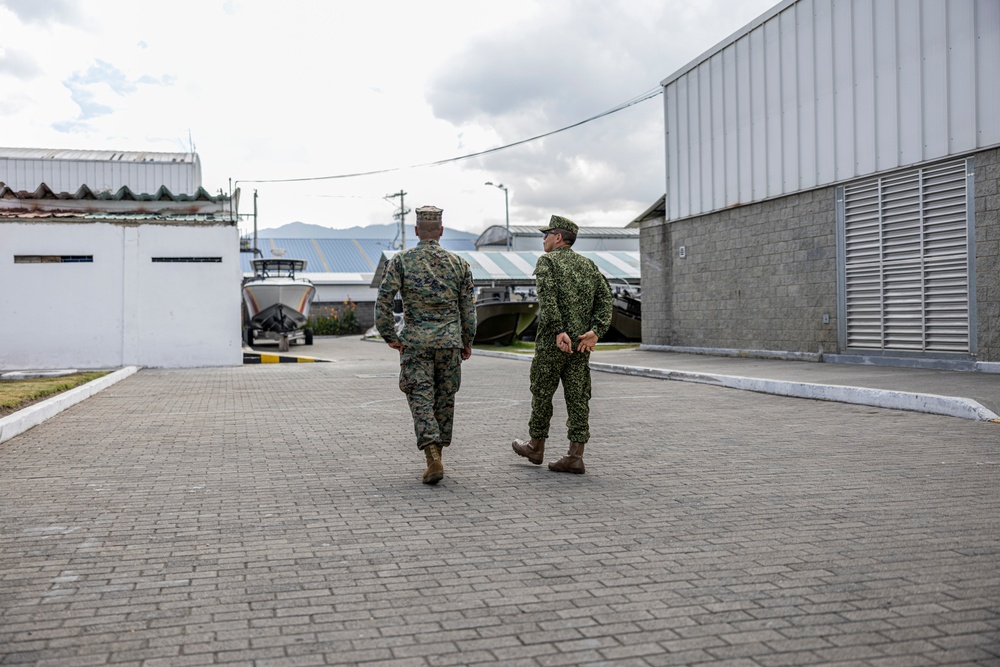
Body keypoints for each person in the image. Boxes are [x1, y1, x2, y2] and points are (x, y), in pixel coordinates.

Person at [375, 205, 477, 484]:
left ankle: (432, 456)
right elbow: (468, 308)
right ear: (441, 231)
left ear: (417, 231)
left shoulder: (401, 261)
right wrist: (467, 340)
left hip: (416, 343)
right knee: (444, 399)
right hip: (448, 343)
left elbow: (384, 300)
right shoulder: (459, 263)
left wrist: (389, 335)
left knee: (420, 398)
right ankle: (438, 456)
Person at [512, 215, 613, 474]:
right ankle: (575, 456)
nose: (543, 238)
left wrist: (558, 331)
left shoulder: (547, 261)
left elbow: (547, 298)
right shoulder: (588, 265)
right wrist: (596, 332)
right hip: (580, 345)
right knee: (579, 398)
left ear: (558, 237)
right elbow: (605, 298)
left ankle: (536, 447)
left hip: (552, 343)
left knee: (542, 395)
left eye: (546, 234)